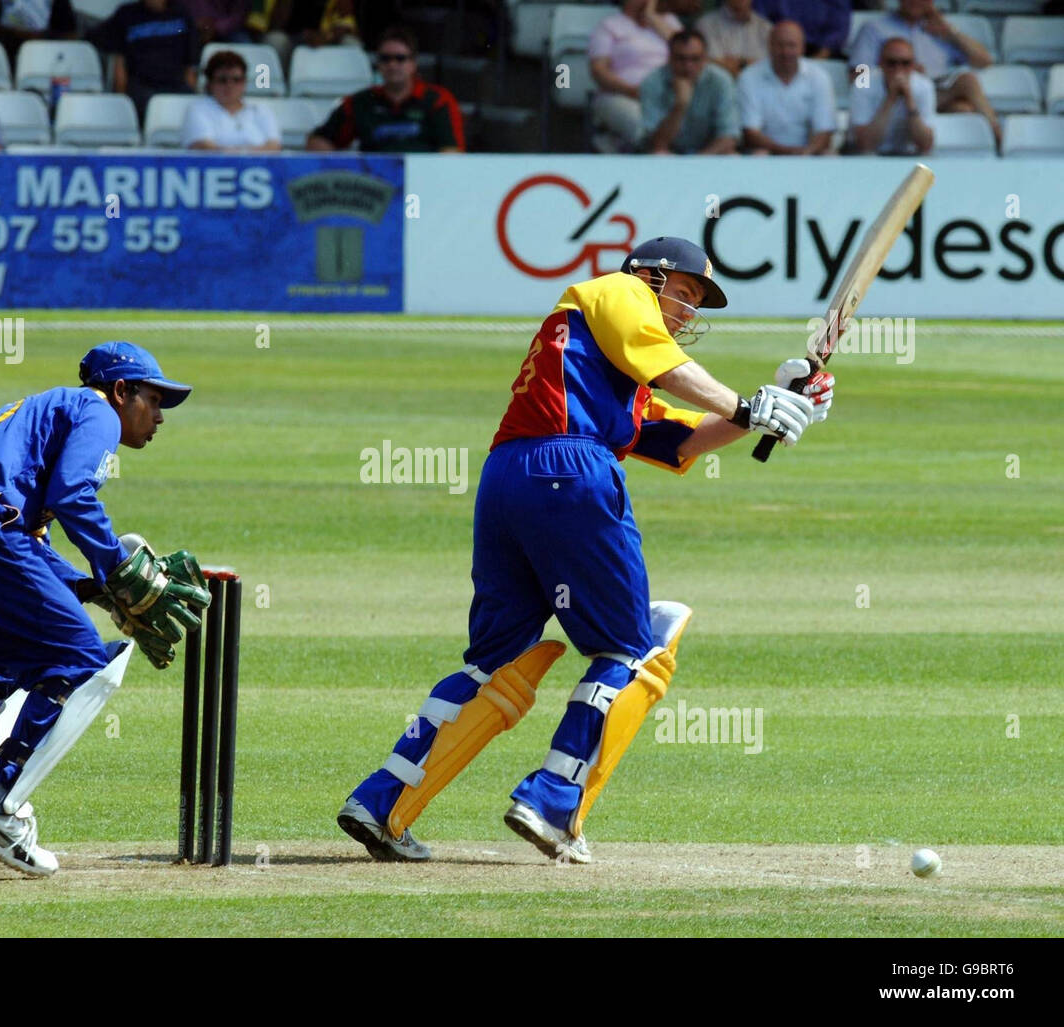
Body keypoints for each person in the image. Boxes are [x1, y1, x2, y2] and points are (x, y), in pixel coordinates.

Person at [337, 237, 833, 864]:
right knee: (633, 649)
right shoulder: (616, 291)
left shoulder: (609, 366)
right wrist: (746, 403)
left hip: (508, 478)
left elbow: (677, 443)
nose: (688, 310)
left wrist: (774, 403)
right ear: (650, 277)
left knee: (497, 660)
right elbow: (668, 365)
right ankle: (550, 803)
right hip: (571, 467)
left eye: (697, 301)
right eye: (684, 292)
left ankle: (382, 804)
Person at [0, 342, 209, 878]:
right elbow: (74, 494)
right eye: (152, 400)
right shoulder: (97, 412)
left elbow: (29, 545)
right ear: (121, 391)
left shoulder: (44, 417)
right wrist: (114, 568)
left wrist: (94, 588)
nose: (158, 416)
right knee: (83, 662)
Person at [848, 0, 998, 144]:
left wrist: (950, 31)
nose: (916, 1)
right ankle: (997, 137)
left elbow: (984, 61)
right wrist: (892, 73)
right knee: (962, 107)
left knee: (967, 86)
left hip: (934, 93)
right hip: (889, 93)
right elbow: (859, 75)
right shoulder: (875, 28)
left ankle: (995, 139)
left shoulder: (938, 29)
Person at [306, 25, 463, 153]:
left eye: (400, 59)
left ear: (413, 64)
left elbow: (452, 152)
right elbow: (318, 142)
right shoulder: (361, 102)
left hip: (424, 183)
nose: (392, 65)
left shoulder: (438, 100)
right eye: (385, 59)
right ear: (378, 65)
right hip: (373, 186)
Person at [588, 0, 681, 153]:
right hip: (621, 95)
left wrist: (652, 18)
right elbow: (598, 71)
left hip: (670, 96)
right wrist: (632, 91)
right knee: (643, 126)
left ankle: (621, 144)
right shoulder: (609, 26)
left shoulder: (669, 22)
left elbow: (687, 52)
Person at [92, 0, 201, 122]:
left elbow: (190, 66)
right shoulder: (126, 14)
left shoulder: (182, 13)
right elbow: (118, 60)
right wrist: (121, 98)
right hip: (142, 85)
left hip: (176, 84)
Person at [738, 20, 835, 155]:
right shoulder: (749, 77)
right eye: (780, 45)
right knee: (759, 155)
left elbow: (824, 131)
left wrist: (806, 152)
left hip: (808, 153)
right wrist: (787, 152)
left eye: (792, 45)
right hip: (766, 152)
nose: (786, 51)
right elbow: (750, 132)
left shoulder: (819, 77)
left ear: (802, 48)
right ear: (770, 46)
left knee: (830, 157)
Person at [640, 28, 739, 155]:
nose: (688, 66)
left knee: (732, 156)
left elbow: (729, 136)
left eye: (695, 59)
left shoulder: (720, 81)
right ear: (669, 58)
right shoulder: (652, 82)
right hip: (670, 154)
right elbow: (657, 144)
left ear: (705, 58)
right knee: (659, 155)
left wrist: (696, 162)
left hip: (708, 153)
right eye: (681, 59)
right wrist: (680, 105)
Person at [849, 36, 934, 156]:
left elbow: (925, 145)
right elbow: (865, 144)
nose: (898, 69)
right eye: (891, 63)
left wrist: (909, 99)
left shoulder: (924, 86)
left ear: (913, 64)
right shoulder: (863, 85)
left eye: (905, 63)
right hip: (868, 157)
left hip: (908, 156)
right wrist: (890, 98)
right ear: (880, 63)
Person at [181, 49, 281, 150]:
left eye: (236, 80)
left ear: (244, 82)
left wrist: (237, 154)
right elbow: (204, 147)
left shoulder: (261, 110)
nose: (230, 85)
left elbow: (274, 147)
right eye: (222, 80)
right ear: (209, 83)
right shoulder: (197, 109)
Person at [0, 0, 77, 66]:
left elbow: (69, 32)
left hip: (46, 53)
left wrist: (43, 37)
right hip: (6, 51)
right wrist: (19, 33)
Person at [696, 0, 772, 78]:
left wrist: (733, 63)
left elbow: (768, 66)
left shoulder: (765, 28)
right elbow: (711, 65)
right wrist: (749, 63)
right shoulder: (705, 25)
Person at [754, 0, 849, 59]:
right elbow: (760, 21)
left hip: (820, 51)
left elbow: (838, 30)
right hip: (777, 48)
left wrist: (819, 59)